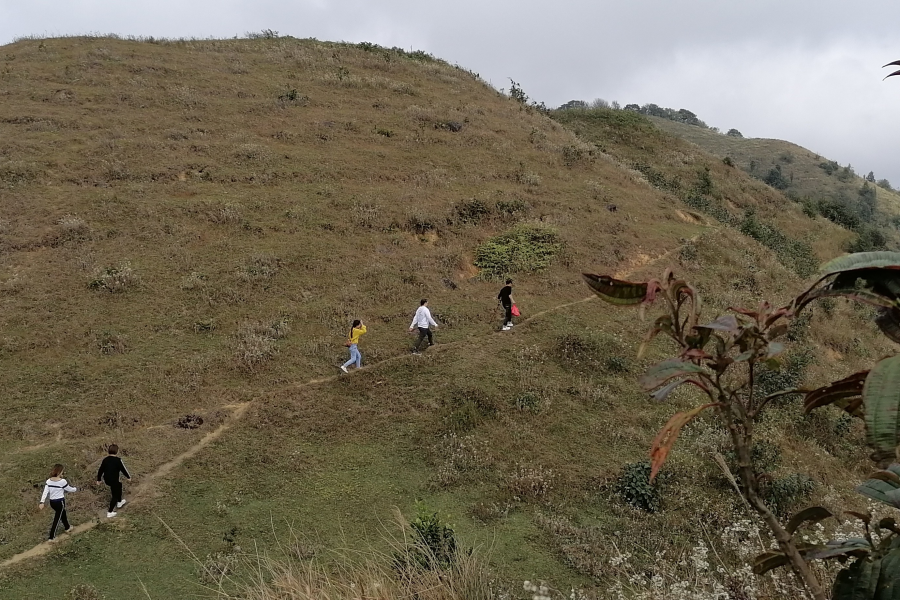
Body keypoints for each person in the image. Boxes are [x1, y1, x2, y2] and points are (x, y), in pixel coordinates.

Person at [39, 464, 77, 541]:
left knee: (63, 513)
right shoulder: (62, 481)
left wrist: (42, 502)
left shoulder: (48, 481)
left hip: (52, 502)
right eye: (62, 471)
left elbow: (45, 492)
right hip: (60, 502)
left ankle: (67, 527)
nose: (63, 473)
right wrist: (76, 489)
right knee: (57, 519)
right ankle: (51, 537)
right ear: (59, 472)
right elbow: (69, 489)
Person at [96, 444, 132, 518]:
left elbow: (100, 470)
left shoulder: (105, 460)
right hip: (113, 480)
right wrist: (128, 477)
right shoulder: (118, 460)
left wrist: (99, 479)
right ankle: (110, 512)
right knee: (114, 494)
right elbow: (123, 469)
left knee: (119, 485)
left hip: (107, 479)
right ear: (117, 451)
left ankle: (119, 502)